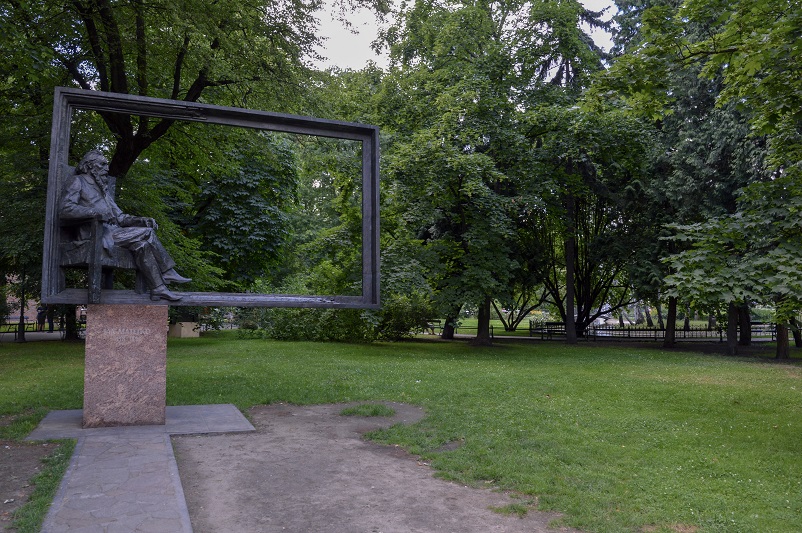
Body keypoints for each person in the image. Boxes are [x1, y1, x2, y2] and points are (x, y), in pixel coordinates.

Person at [61, 150, 191, 302]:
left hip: (114, 233)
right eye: (102, 165)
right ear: (90, 166)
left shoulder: (103, 191)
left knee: (142, 245)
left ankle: (158, 289)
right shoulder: (78, 181)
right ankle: (167, 271)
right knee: (147, 233)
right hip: (95, 234)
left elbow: (121, 217)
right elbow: (65, 209)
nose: (107, 168)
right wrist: (95, 212)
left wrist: (141, 220)